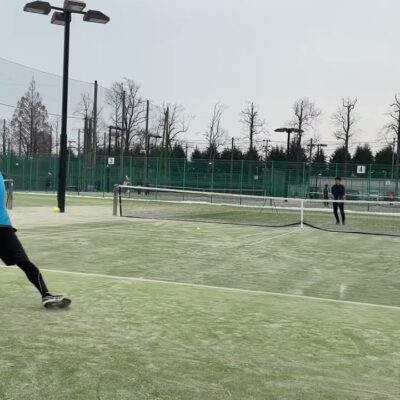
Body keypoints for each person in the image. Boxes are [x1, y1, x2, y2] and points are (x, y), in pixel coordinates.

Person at [0, 172, 71, 309]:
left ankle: (46, 295)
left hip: (3, 228)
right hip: (3, 228)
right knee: (24, 263)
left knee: (24, 263)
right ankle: (46, 294)